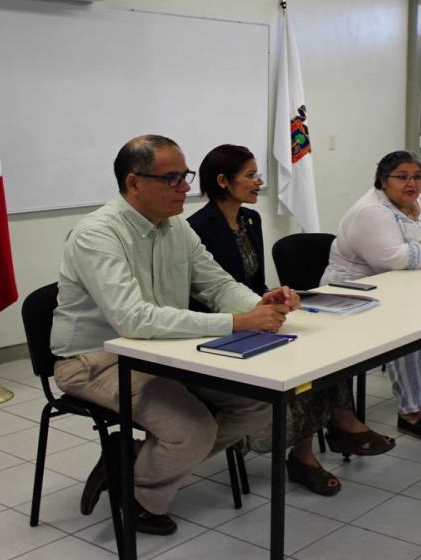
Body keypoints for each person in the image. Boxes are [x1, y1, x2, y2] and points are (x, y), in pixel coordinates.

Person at [51, 135, 299, 535]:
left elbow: (217, 284)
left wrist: (259, 304)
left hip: (165, 351)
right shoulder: (96, 234)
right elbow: (133, 320)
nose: (186, 187)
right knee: (193, 430)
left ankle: (132, 464)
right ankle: (138, 499)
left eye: (185, 176)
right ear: (134, 182)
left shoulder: (175, 228)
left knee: (259, 403)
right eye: (172, 179)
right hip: (96, 361)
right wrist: (238, 322)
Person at [187, 144, 392, 496]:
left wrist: (276, 297)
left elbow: (252, 284)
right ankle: (313, 450)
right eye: (250, 175)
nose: (259, 182)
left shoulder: (250, 219)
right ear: (222, 181)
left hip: (255, 314)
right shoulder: (196, 228)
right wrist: (253, 312)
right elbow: (206, 293)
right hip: (223, 327)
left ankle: (324, 436)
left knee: (320, 350)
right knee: (297, 365)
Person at [322, 150, 421, 444]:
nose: (412, 184)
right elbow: (396, 260)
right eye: (402, 177)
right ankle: (410, 413)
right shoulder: (371, 211)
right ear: (383, 180)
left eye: (417, 177)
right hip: (354, 296)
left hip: (410, 286)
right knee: (411, 327)